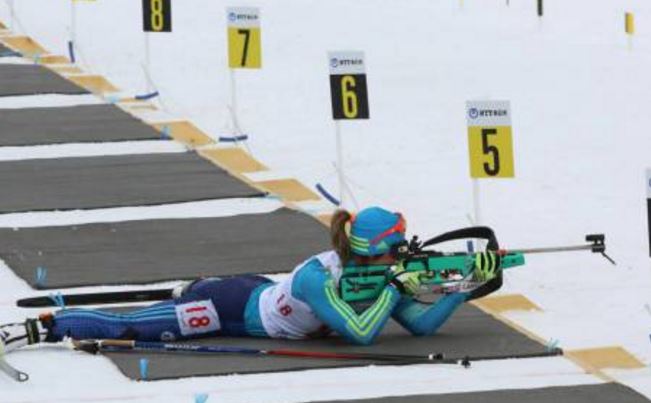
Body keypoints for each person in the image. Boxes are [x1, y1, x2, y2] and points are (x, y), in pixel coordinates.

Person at [0, 206, 501, 354]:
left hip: (259, 291)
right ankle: (42, 327)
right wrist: (394, 287)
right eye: (398, 246)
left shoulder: (375, 274)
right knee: (131, 328)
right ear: (375, 251)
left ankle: (196, 284)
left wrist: (467, 287)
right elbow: (361, 334)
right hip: (227, 308)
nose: (404, 254)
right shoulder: (318, 279)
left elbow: (421, 326)